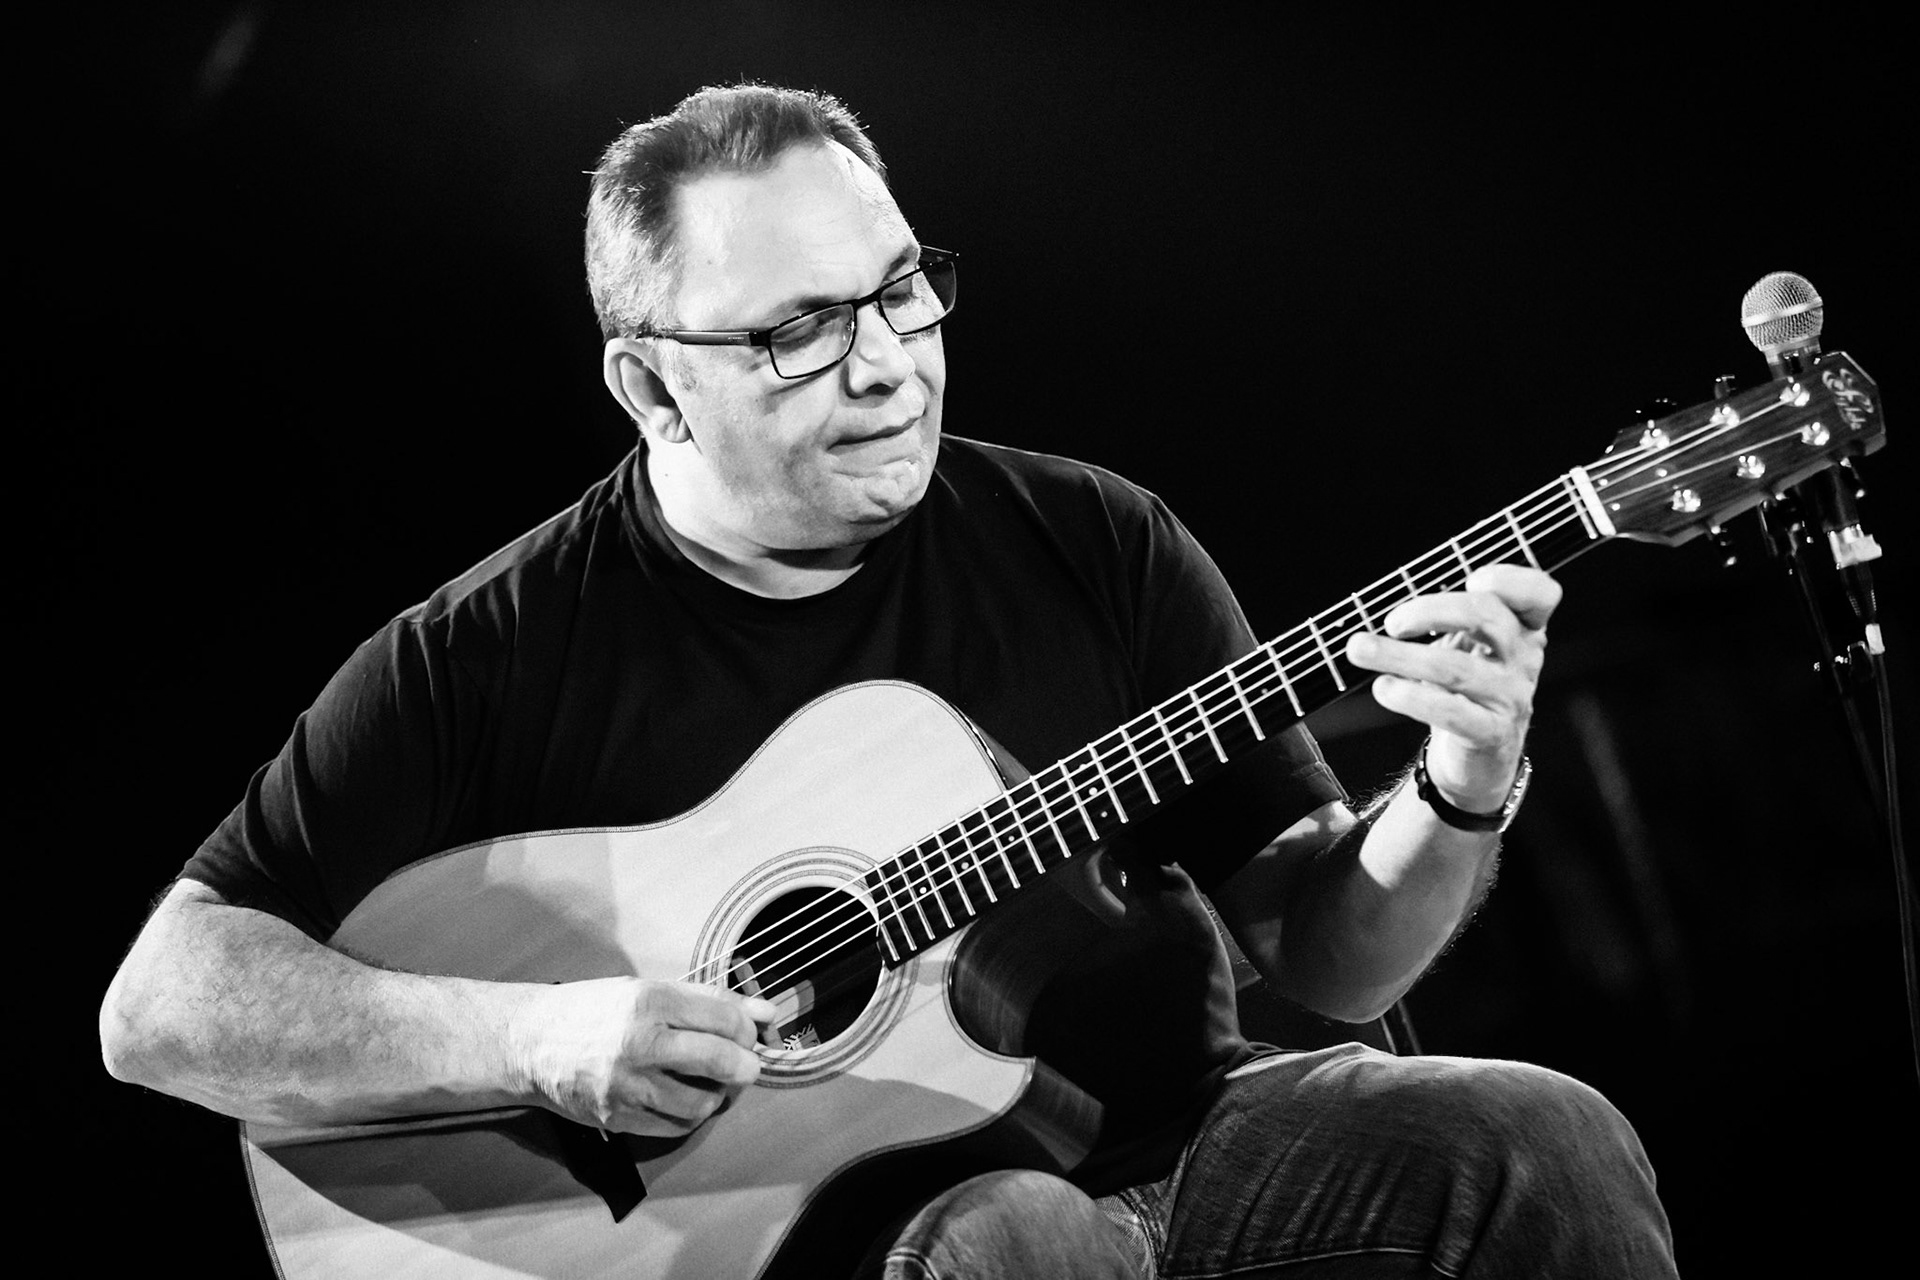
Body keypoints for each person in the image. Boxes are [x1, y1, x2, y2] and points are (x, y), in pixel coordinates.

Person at [99, 84, 1676, 1278]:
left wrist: (1457, 794)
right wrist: (538, 1042)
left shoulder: (1089, 537)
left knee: (1542, 1137)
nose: (887, 363)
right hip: (844, 1246)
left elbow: (1330, 965)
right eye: (801, 331)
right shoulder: (483, 657)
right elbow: (161, 1008)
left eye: (902, 288)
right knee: (1017, 1239)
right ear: (652, 382)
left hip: (1195, 1148)